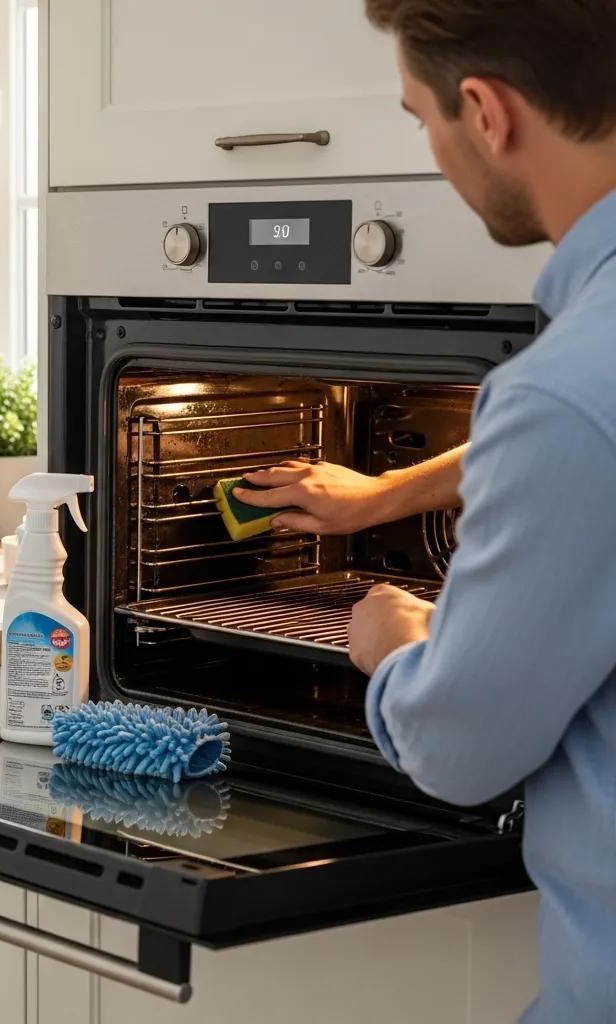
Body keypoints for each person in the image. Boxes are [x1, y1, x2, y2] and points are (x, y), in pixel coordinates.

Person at [233, 2, 616, 1020]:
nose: (433, 150)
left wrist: (395, 644)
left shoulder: (565, 392)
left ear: (485, 111)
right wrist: (393, 491)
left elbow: (458, 749)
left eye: (419, 118)